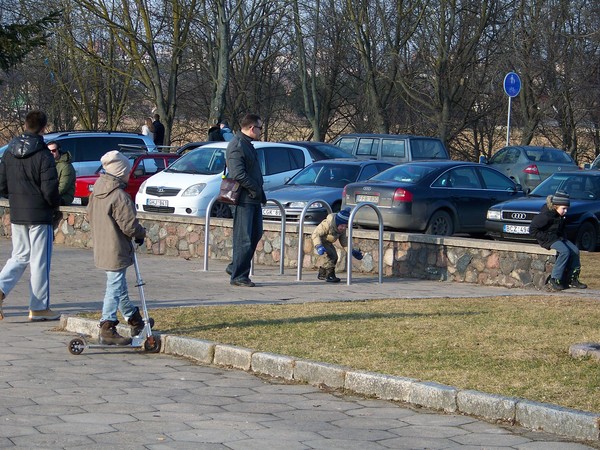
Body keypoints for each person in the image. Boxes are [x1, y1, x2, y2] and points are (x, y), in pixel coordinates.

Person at [0, 110, 61, 321]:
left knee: (19, 256)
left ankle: (0, 289)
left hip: (18, 212)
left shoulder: (9, 152)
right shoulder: (43, 154)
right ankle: (39, 307)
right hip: (39, 214)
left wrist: (16, 198)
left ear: (26, 125)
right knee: (39, 261)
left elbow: (2, 184)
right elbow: (50, 189)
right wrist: (55, 206)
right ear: (44, 127)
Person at [87, 150, 148, 345]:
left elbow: (90, 216)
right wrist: (140, 233)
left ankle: (133, 318)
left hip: (102, 244)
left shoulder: (96, 191)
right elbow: (129, 225)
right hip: (115, 246)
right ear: (120, 172)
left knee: (118, 283)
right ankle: (107, 324)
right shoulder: (119, 196)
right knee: (114, 285)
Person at [225, 114, 265, 287]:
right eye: (260, 128)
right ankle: (239, 276)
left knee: (255, 234)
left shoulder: (247, 144)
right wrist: (254, 188)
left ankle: (235, 266)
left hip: (253, 198)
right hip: (244, 198)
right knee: (245, 238)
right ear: (251, 128)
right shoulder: (237, 145)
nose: (261, 132)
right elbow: (237, 174)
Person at [529, 191, 587, 291]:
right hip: (547, 240)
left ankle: (572, 279)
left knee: (575, 250)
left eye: (566, 209)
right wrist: (547, 238)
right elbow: (532, 230)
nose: (565, 211)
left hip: (557, 238)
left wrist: (563, 237)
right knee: (565, 251)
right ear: (555, 206)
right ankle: (555, 279)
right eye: (563, 209)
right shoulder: (546, 215)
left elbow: (561, 228)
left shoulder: (560, 215)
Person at [311, 208, 363, 282]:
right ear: (337, 223)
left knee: (334, 256)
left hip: (328, 242)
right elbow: (315, 234)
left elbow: (344, 242)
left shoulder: (342, 229)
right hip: (320, 242)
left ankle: (322, 274)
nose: (343, 228)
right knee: (332, 256)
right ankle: (329, 275)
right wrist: (318, 246)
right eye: (342, 226)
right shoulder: (327, 224)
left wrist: (351, 251)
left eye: (345, 226)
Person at [48, 140, 75, 206]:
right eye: (49, 151)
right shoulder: (47, 163)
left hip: (64, 197)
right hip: (51, 195)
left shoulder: (66, 166)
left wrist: (47, 195)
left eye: (53, 150)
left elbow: (62, 187)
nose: (51, 152)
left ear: (58, 150)